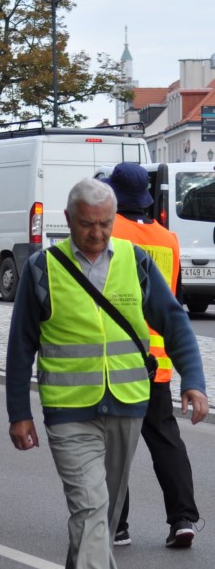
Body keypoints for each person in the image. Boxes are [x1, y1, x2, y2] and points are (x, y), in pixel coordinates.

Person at [5, 177, 208, 569]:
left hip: (128, 402)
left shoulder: (134, 263)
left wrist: (193, 382)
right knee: (91, 503)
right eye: (86, 224)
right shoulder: (42, 269)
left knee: (105, 508)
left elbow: (175, 323)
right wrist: (19, 413)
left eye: (104, 224)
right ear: (69, 219)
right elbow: (20, 348)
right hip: (68, 408)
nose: (96, 234)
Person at [102, 163, 201, 547]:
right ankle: (183, 519)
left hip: (120, 358)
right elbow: (172, 301)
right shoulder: (169, 239)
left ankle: (120, 525)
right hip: (158, 358)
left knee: (115, 444)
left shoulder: (109, 234)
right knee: (165, 440)